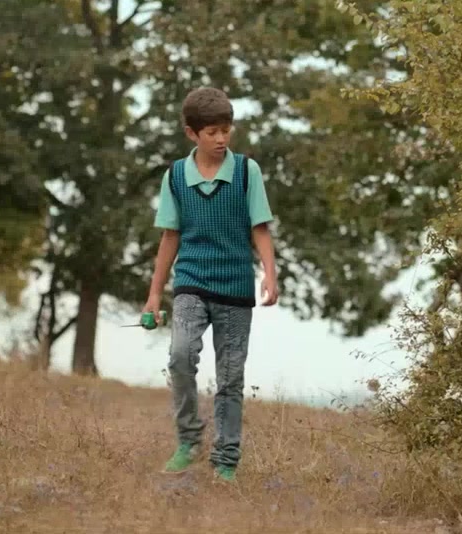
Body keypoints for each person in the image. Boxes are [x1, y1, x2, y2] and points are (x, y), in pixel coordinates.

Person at [143, 86, 279, 483]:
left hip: (235, 288)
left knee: (231, 378)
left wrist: (270, 274)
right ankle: (189, 440)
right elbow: (169, 236)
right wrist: (154, 294)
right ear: (192, 133)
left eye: (226, 130)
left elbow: (260, 228)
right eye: (212, 132)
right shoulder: (175, 177)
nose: (221, 139)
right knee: (180, 356)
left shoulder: (246, 172)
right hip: (191, 283)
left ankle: (225, 460)